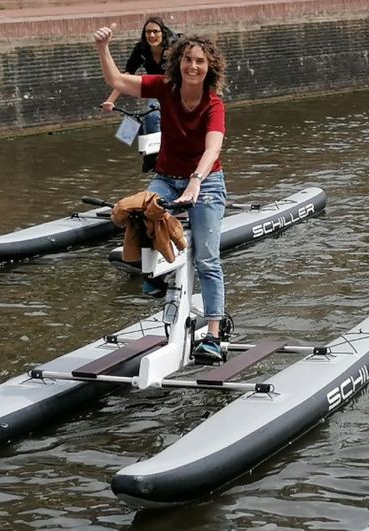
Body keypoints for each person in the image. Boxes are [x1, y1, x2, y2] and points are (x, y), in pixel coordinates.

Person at [94, 23, 229, 362]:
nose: (193, 66)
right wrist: (103, 48)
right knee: (139, 212)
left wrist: (197, 180)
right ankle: (158, 274)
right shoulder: (165, 88)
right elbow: (117, 82)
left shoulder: (214, 105)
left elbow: (212, 149)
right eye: (187, 60)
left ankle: (213, 334)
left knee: (207, 259)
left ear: (209, 66)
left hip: (207, 181)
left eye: (199, 61)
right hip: (167, 177)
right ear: (178, 63)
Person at [99, 17, 175, 134]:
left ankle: (159, 149)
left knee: (151, 117)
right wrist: (110, 101)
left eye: (155, 31)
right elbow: (126, 75)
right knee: (128, 128)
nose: (152, 35)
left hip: (174, 88)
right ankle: (142, 150)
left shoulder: (173, 48)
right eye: (148, 32)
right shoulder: (141, 49)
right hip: (154, 88)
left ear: (163, 33)